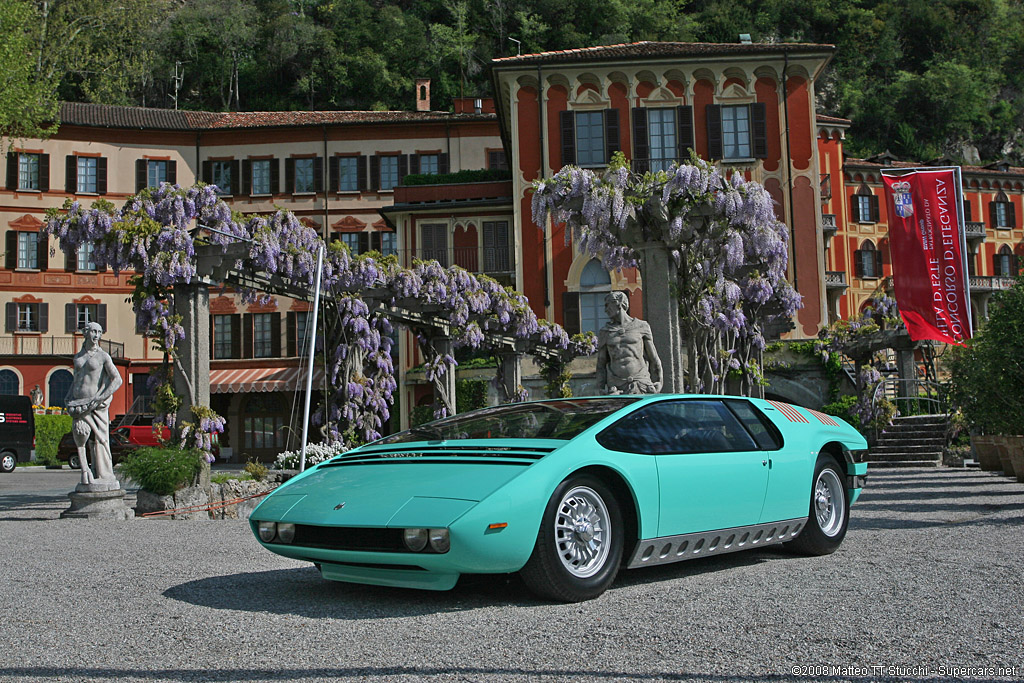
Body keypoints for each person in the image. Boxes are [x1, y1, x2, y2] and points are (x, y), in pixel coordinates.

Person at [65, 322, 123, 490]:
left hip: (95, 405)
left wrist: (100, 398)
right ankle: (86, 471)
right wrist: (68, 397)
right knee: (80, 438)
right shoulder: (78, 356)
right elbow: (76, 380)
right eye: (93, 331)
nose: (96, 335)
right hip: (78, 403)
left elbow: (117, 379)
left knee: (100, 439)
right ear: (85, 333)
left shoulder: (103, 356)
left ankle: (103, 474)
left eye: (99, 332)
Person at [595, 291, 663, 395]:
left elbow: (653, 358)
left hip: (641, 382)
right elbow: (601, 363)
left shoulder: (641, 326)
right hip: (616, 385)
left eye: (607, 305)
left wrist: (659, 381)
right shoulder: (605, 332)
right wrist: (600, 388)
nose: (605, 310)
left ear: (619, 303)